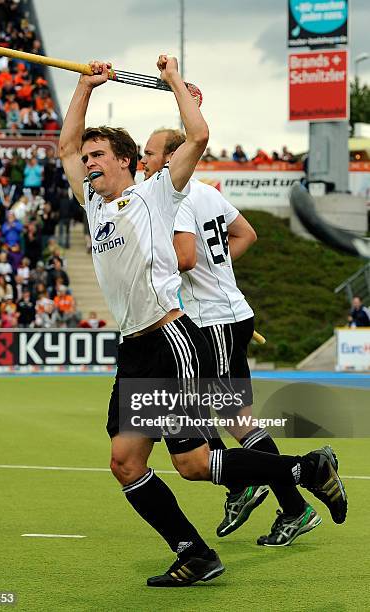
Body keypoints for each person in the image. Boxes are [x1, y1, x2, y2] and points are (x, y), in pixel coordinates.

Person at [59, 55, 347, 587]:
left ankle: (305, 471)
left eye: (101, 155)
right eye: (90, 157)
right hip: (134, 349)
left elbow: (198, 134)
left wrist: (173, 83)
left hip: (171, 343)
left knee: (192, 464)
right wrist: (84, 87)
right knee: (126, 462)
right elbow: (66, 148)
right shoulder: (94, 206)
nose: (90, 163)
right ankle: (196, 551)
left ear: (127, 161)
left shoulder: (159, 192)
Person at [141, 127, 322, 547]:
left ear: (171, 159)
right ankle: (240, 484)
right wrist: (217, 272)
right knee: (199, 412)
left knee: (238, 423)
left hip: (215, 320)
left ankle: (294, 507)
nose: (143, 160)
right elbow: (246, 235)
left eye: (148, 154)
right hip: (220, 316)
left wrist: (161, 270)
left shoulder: (178, 196)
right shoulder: (206, 191)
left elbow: (184, 257)